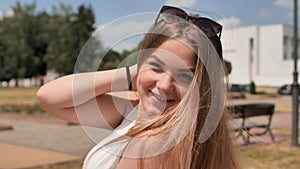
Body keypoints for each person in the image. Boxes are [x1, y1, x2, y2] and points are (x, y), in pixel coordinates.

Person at [37, 5, 241, 169]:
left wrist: (149, 69)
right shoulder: (135, 109)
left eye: (184, 76)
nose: (165, 85)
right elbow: (49, 97)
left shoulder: (157, 145)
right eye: (157, 67)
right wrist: (137, 72)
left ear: (202, 85)